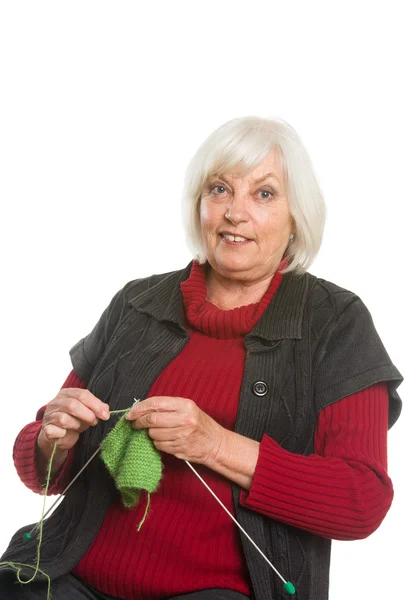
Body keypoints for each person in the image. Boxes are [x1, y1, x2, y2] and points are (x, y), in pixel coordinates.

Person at [0, 116, 403, 600]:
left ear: (298, 216)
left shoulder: (336, 323)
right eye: (219, 189)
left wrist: (214, 445)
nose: (235, 212)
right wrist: (53, 440)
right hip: (70, 576)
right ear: (199, 206)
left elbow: (360, 502)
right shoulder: (137, 301)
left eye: (265, 194)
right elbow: (39, 470)